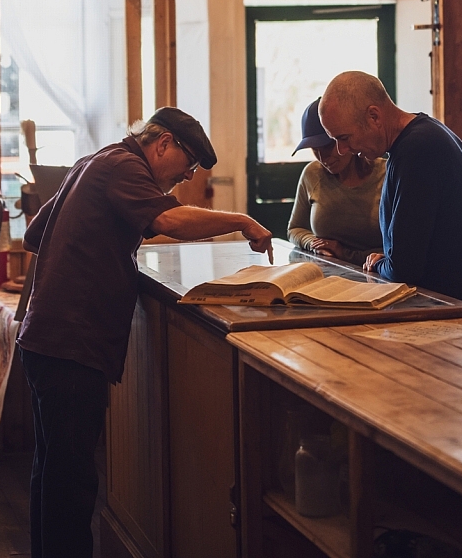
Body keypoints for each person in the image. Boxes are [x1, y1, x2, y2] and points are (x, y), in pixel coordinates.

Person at [17, 107, 272, 557]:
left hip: (46, 341)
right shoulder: (124, 166)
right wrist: (242, 221)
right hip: (73, 347)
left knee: (52, 474)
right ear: (164, 144)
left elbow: (36, 234)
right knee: (72, 487)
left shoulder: (95, 162)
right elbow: (168, 221)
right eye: (187, 165)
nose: (186, 177)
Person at [318, 71, 462, 314]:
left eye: (344, 138)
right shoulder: (428, 134)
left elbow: (404, 270)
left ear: (374, 116)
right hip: (451, 312)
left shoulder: (418, 151)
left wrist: (380, 264)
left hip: (452, 317)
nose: (342, 150)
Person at [288, 98, 385, 265]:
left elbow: (402, 248)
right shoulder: (312, 173)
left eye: (327, 147)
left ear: (345, 138)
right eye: (315, 150)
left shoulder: (386, 174)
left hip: (377, 275)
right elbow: (294, 229)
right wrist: (313, 244)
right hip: (330, 273)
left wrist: (344, 253)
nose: (322, 158)